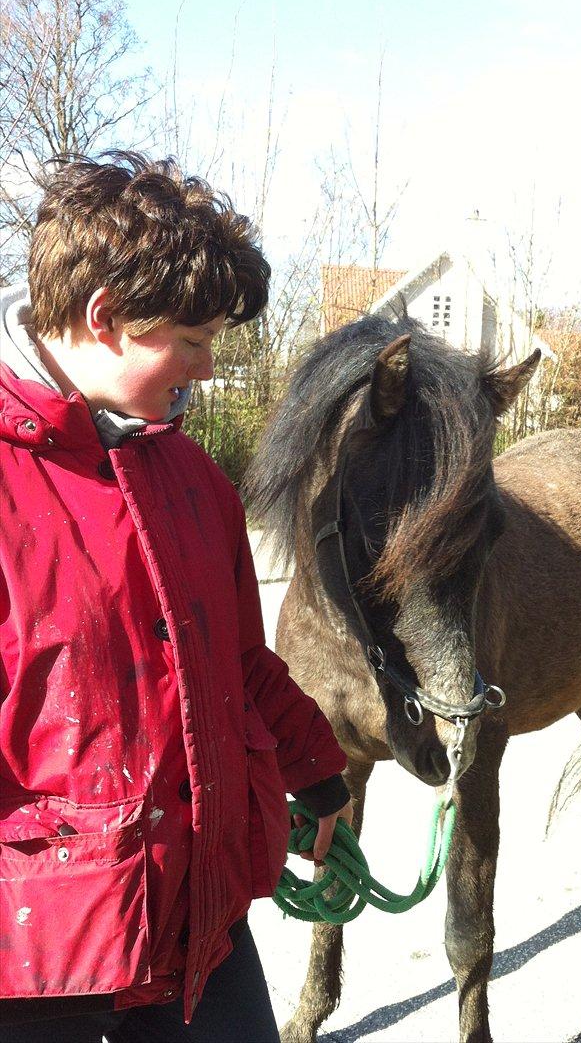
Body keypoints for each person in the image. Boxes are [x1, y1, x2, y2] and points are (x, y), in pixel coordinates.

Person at [0, 152, 353, 1042]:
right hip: (46, 959)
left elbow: (236, 659)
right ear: (104, 317)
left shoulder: (195, 478)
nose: (201, 368)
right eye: (190, 341)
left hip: (204, 921)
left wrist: (318, 769)